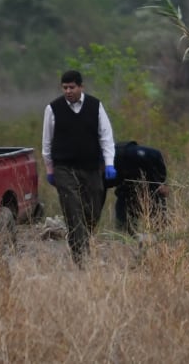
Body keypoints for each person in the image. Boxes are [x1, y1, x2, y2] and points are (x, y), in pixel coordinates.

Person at [42, 70, 117, 265]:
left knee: (93, 208)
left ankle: (82, 238)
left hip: (91, 166)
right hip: (63, 167)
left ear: (81, 87)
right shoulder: (53, 109)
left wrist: (109, 164)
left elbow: (106, 137)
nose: (68, 91)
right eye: (65, 87)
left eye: (72, 87)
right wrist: (50, 169)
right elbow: (47, 143)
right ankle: (81, 257)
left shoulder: (95, 106)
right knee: (72, 208)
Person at [114, 140, 169, 236]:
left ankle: (158, 236)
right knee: (124, 225)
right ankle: (128, 237)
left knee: (158, 222)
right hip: (128, 189)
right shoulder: (111, 157)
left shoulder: (146, 155)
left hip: (149, 186)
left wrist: (162, 182)